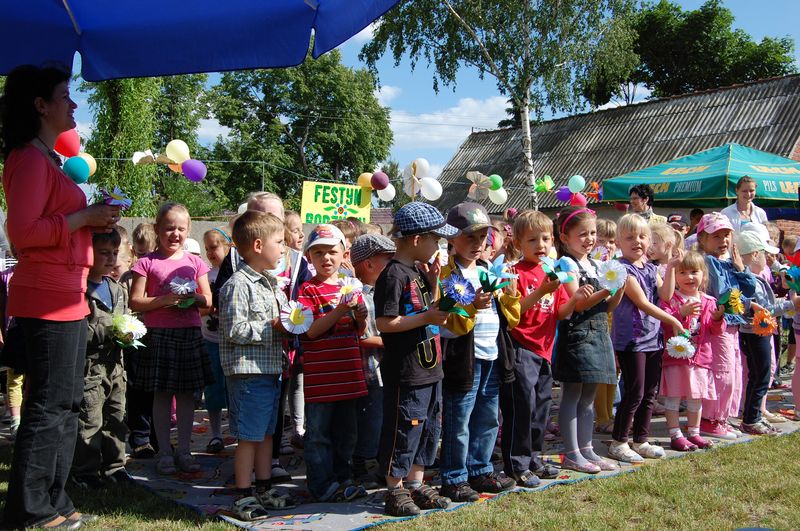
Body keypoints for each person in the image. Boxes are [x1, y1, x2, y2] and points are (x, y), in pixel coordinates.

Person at [1, 64, 121, 529]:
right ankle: (28, 510)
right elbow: (23, 234)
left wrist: (94, 219)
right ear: (40, 106)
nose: (73, 105)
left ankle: (54, 498)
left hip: (68, 296)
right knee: (48, 405)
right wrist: (83, 218)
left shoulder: (47, 159)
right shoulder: (28, 160)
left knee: (66, 404)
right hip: (46, 298)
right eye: (65, 96)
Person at [375, 202, 457, 516]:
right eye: (435, 239)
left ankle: (416, 483)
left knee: (427, 428)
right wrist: (426, 317)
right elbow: (385, 323)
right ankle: (394, 489)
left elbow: (427, 313)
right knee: (404, 430)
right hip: (406, 372)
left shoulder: (420, 272)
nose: (438, 245)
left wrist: (435, 285)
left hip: (430, 369)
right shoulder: (393, 275)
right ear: (416, 239)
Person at [438, 203, 519, 502]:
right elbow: (452, 323)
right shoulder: (448, 274)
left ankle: (480, 469)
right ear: (451, 239)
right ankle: (454, 476)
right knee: (459, 419)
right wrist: (474, 305)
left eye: (482, 237)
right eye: (469, 237)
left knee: (488, 417)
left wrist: (510, 295)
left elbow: (511, 317)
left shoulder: (488, 270)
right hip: (464, 359)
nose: (477, 244)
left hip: (492, 355)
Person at [219, 211, 295, 520]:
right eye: (279, 242)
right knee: (249, 436)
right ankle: (242, 494)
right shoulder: (239, 285)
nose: (284, 247)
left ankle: (264, 487)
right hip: (248, 373)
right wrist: (272, 327)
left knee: (266, 434)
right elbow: (234, 329)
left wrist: (289, 327)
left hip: (269, 371)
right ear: (259, 245)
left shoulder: (270, 284)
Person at [129, 202, 213, 475]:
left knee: (187, 396)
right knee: (162, 396)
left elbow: (208, 302)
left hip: (189, 334)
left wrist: (194, 299)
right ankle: (165, 450)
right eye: (169, 228)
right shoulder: (146, 263)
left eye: (180, 228)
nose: (175, 234)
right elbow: (136, 302)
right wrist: (164, 300)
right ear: (157, 230)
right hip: (159, 335)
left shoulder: (195, 262)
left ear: (188, 230)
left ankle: (185, 450)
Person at [500, 210, 582, 487]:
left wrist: (575, 298)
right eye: (532, 240)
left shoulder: (553, 273)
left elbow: (560, 313)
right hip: (522, 347)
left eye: (546, 239)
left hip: (545, 350)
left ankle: (535, 458)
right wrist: (541, 292)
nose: (541, 245)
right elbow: (514, 313)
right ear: (518, 244)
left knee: (542, 408)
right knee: (523, 408)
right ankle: (517, 463)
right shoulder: (514, 273)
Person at [296, 224, 369, 502]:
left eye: (332, 252)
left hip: (349, 377)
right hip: (322, 381)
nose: (326, 258)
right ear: (310, 258)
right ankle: (321, 484)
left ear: (344, 254)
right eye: (319, 253)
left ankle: (343, 478)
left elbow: (358, 331)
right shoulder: (307, 290)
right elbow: (310, 330)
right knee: (318, 436)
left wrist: (360, 316)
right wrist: (340, 309)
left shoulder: (351, 287)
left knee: (346, 436)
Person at [552, 207, 625, 474]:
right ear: (565, 237)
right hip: (577, 335)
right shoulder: (566, 264)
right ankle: (571, 453)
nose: (589, 239)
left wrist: (618, 289)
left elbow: (607, 307)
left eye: (592, 233)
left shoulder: (595, 264)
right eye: (582, 234)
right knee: (573, 395)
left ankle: (587, 448)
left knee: (589, 398)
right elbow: (578, 303)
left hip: (598, 335)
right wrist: (607, 288)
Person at [609, 214, 685, 463]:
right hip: (632, 340)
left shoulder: (652, 268)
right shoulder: (622, 269)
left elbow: (665, 294)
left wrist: (672, 267)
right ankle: (619, 441)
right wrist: (672, 320)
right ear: (619, 241)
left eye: (642, 237)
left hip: (653, 339)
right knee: (635, 392)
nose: (637, 242)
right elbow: (642, 301)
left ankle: (641, 439)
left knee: (650, 392)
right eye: (629, 237)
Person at [71, 229, 131, 488]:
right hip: (90, 368)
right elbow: (77, 331)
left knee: (116, 417)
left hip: (116, 365)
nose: (110, 259)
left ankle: (115, 466)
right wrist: (108, 329)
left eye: (114, 253)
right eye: (103, 253)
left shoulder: (117, 288)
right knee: (90, 419)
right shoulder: (79, 288)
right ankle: (85, 471)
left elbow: (126, 318)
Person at [694, 213, 757, 440]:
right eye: (716, 236)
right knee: (721, 372)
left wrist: (741, 269)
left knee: (735, 371)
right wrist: (735, 276)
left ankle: (722, 417)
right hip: (717, 324)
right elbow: (723, 293)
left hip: (733, 324)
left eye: (726, 235)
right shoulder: (708, 262)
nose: (723, 241)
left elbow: (750, 291)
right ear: (703, 240)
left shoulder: (729, 263)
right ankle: (709, 419)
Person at [659, 251, 723, 451]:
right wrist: (681, 313)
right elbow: (665, 324)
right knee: (674, 397)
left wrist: (718, 318)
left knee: (696, 397)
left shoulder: (709, 301)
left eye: (694, 272)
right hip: (676, 358)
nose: (689, 277)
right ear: (675, 277)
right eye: (682, 272)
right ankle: (675, 434)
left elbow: (714, 331)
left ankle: (694, 433)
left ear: (703, 274)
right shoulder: (671, 299)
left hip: (700, 358)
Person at [736, 230, 794, 434]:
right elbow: (764, 310)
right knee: (760, 375)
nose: (768, 259)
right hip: (756, 332)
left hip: (754, 332)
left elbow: (766, 305)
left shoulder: (752, 277)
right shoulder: (751, 281)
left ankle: (753, 416)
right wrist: (790, 304)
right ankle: (752, 418)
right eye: (763, 254)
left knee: (757, 375)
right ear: (753, 255)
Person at [350, 233, 396, 488]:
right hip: (369, 370)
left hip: (383, 369)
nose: (393, 265)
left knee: (381, 417)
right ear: (368, 264)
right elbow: (363, 338)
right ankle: (361, 461)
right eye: (387, 259)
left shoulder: (383, 291)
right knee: (370, 418)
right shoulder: (363, 296)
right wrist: (396, 339)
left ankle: (378, 460)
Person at [201, 228, 232, 453]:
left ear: (227, 246)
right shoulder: (206, 275)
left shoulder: (233, 275)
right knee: (212, 388)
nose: (211, 252)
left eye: (214, 247)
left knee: (232, 388)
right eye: (207, 248)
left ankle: (235, 431)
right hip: (210, 338)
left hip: (230, 341)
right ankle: (215, 434)